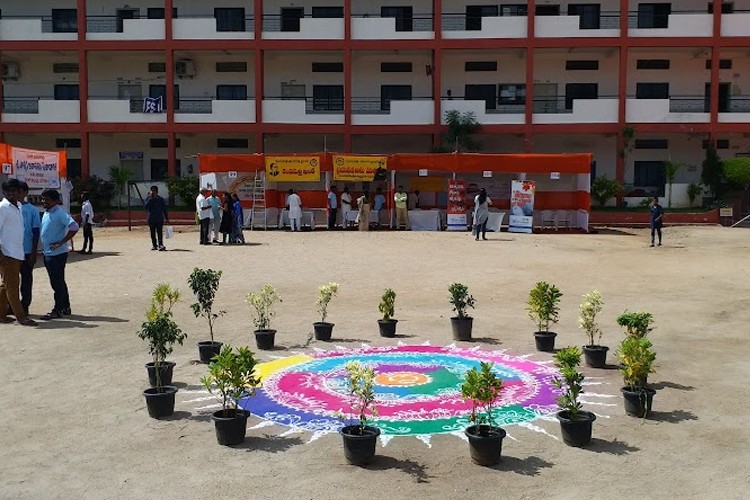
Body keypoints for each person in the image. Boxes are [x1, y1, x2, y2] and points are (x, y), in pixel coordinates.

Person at [0, 179, 37, 326]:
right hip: (7, 253)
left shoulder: (19, 206)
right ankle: (21, 317)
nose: (11, 193)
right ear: (4, 192)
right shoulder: (3, 208)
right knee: (13, 286)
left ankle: (1, 315)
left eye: (14, 191)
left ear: (19, 192)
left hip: (17, 252)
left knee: (6, 285)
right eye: (8, 191)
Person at [39, 188, 79, 320]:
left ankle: (58, 308)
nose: (44, 201)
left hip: (56, 254)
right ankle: (65, 307)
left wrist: (61, 242)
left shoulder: (59, 213)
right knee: (58, 281)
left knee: (57, 283)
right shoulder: (48, 212)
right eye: (43, 199)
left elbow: (74, 227)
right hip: (49, 253)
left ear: (55, 201)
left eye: (47, 199)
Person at [19, 182, 40, 316]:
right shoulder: (9, 208)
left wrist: (33, 252)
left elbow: (36, 232)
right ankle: (12, 304)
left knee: (26, 280)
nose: (17, 194)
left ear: (26, 193)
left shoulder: (32, 210)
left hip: (27, 251)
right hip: (12, 251)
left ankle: (25, 305)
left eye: (20, 191)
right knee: (11, 280)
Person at [144, 185, 168, 251]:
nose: (153, 192)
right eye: (152, 190)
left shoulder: (160, 199)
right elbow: (146, 207)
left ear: (157, 192)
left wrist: (167, 218)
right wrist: (151, 199)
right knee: (152, 233)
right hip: (151, 219)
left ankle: (160, 244)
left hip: (159, 218)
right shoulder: (148, 199)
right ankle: (154, 245)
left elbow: (164, 209)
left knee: (159, 232)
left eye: (154, 191)